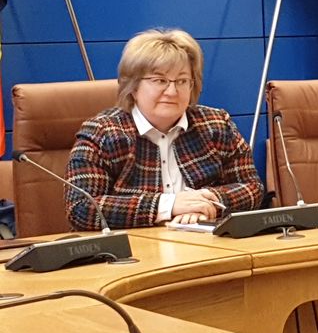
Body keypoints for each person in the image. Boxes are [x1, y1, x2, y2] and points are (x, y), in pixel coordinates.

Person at [65, 28, 264, 230]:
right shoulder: (102, 133)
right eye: (160, 80)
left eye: (182, 81)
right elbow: (81, 208)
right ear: (133, 86)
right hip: (135, 246)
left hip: (207, 241)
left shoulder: (216, 124)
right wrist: (169, 205)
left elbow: (253, 188)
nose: (172, 91)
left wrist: (205, 203)